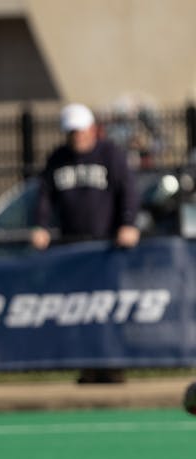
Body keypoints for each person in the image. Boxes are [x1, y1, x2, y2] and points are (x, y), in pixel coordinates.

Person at [31, 102, 140, 384]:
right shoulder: (58, 158)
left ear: (92, 129)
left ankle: (113, 366)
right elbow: (44, 195)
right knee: (80, 309)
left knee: (108, 307)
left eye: (80, 131)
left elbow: (128, 189)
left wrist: (128, 223)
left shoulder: (110, 155)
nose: (76, 137)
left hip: (107, 248)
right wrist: (41, 226)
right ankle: (88, 366)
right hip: (74, 249)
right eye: (71, 133)